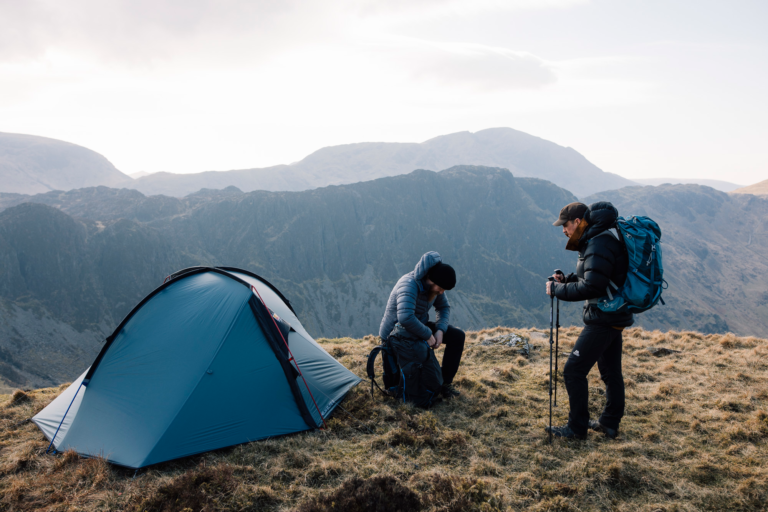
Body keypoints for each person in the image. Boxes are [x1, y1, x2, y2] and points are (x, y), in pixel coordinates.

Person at [545, 201, 632, 440]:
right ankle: (609, 423)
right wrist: (566, 280)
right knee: (610, 371)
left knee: (573, 370)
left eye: (566, 225)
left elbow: (592, 286)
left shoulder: (598, 243)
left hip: (603, 318)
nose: (564, 230)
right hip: (613, 315)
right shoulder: (599, 240)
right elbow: (595, 275)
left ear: (578, 222)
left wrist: (556, 290)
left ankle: (576, 429)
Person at [379, 251, 465, 399]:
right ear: (431, 279)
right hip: (394, 335)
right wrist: (427, 334)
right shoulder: (409, 285)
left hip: (417, 327)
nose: (442, 292)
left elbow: (444, 307)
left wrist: (440, 330)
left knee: (457, 336)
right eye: (441, 288)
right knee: (396, 386)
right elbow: (405, 318)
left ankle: (444, 383)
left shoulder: (435, 286)